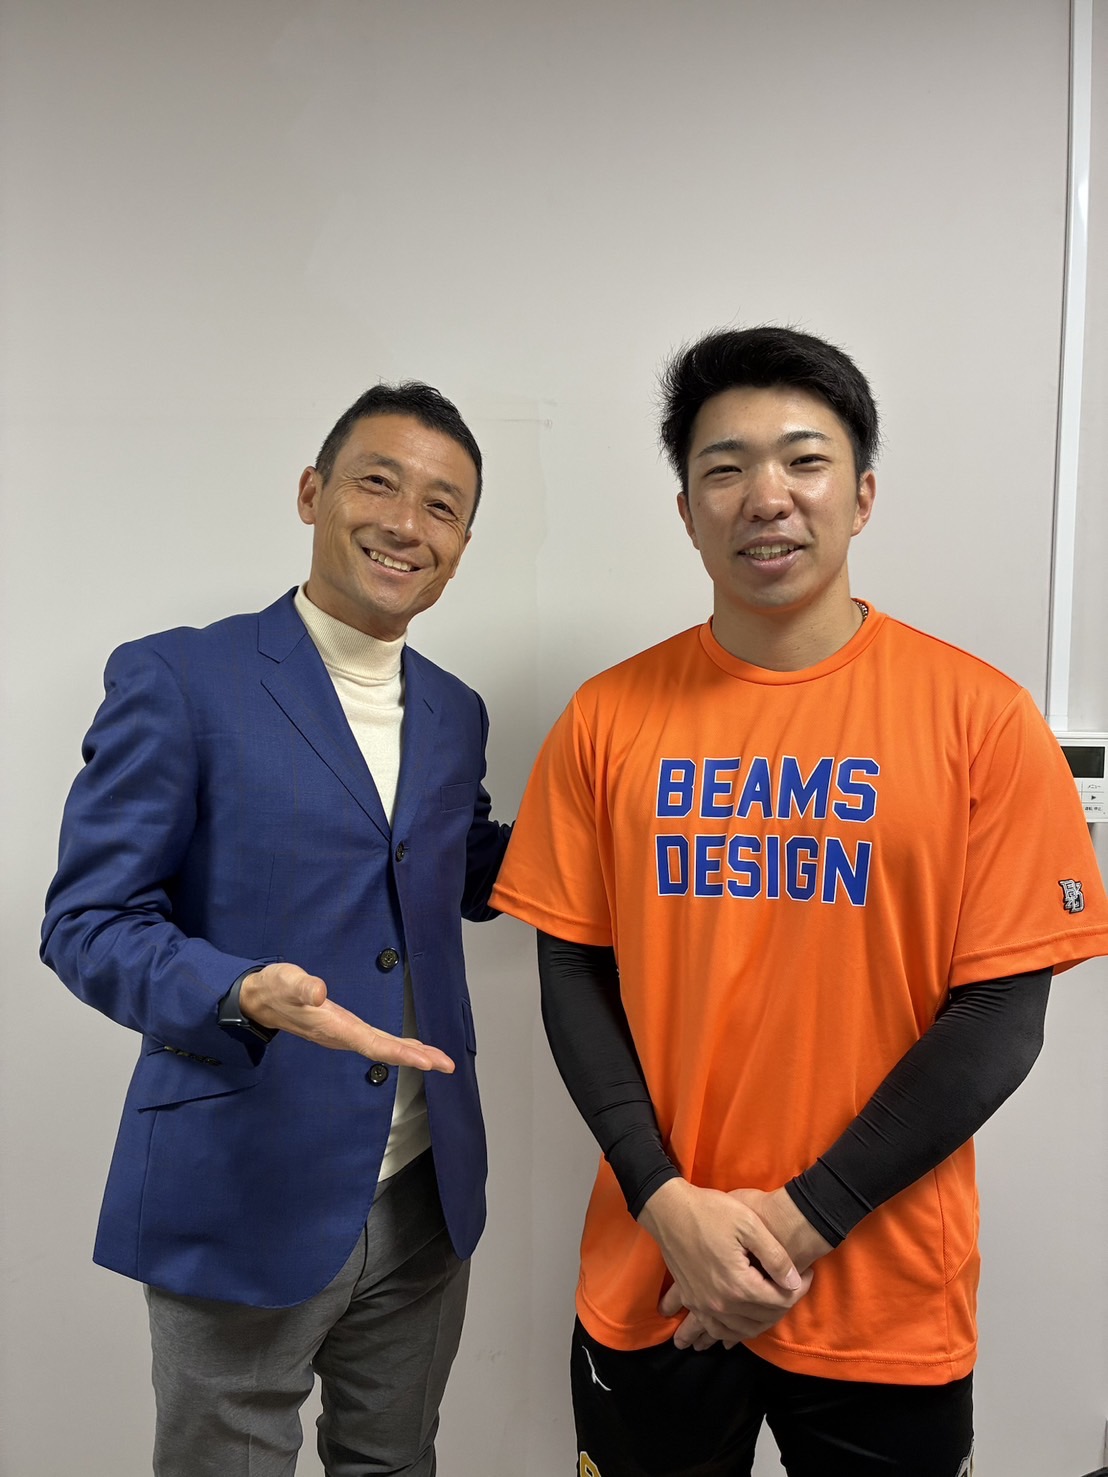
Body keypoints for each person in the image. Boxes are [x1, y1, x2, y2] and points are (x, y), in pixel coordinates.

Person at [489, 327, 1108, 1477]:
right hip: (657, 1273)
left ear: (861, 495)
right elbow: (572, 975)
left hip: (881, 1291)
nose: (764, 495)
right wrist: (665, 1202)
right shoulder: (605, 719)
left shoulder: (980, 718)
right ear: (686, 511)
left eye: (803, 460)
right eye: (724, 468)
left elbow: (997, 1017)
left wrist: (796, 1222)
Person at [41, 382, 510, 1477]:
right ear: (312, 492)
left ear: (461, 545)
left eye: (442, 506)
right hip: (243, 1179)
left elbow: (456, 863)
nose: (407, 523)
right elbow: (87, 921)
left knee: (396, 1463)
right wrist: (239, 991)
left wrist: (639, 825)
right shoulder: (179, 676)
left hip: (425, 1186)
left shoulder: (455, 710)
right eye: (379, 482)